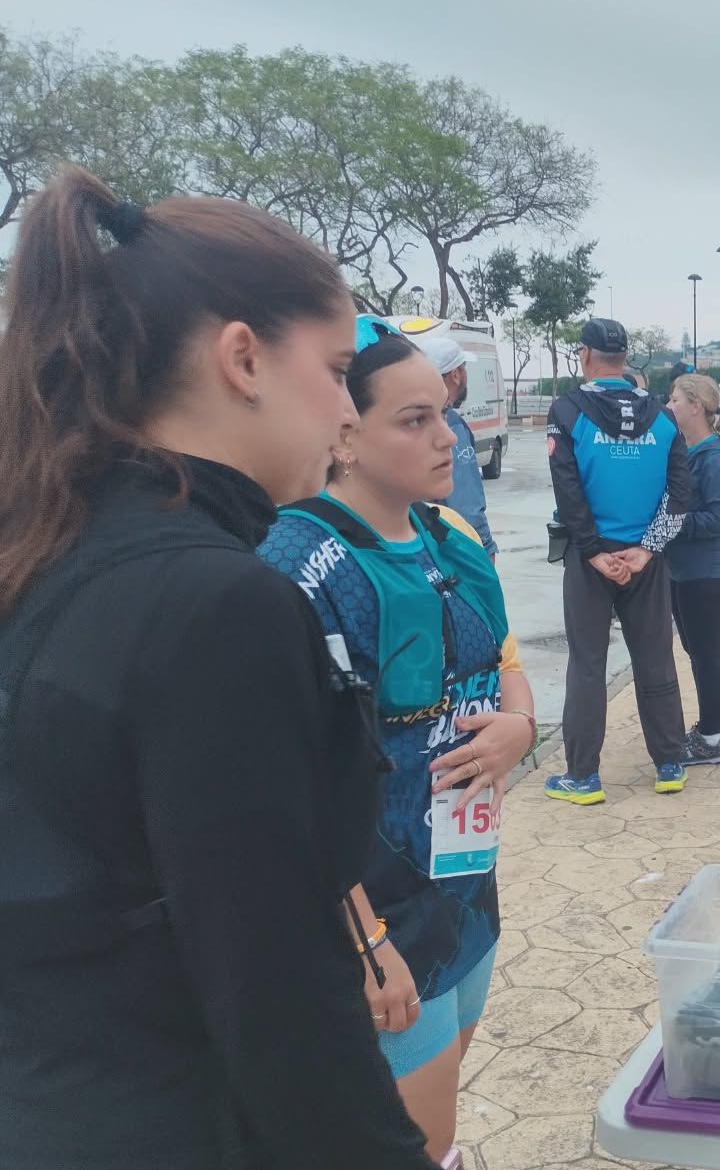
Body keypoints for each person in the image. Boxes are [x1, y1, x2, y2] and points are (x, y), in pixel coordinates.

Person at [0, 167, 436, 1167]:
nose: (343, 411)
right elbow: (277, 992)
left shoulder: (41, 551)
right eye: (334, 371)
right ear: (243, 357)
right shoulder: (218, 606)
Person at [259, 317, 536, 1164]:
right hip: (375, 918)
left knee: (443, 1100)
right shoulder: (296, 568)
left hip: (464, 884)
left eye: (444, 411)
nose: (447, 434)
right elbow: (284, 788)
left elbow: (507, 664)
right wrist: (367, 941)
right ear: (345, 435)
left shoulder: (450, 534)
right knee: (412, 1142)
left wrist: (519, 727)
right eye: (412, 420)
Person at [545, 318, 693, 802]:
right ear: (626, 358)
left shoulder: (567, 411)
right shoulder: (664, 417)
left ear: (585, 356)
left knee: (588, 664)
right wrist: (648, 549)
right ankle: (670, 764)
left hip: (591, 560)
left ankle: (583, 777)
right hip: (646, 561)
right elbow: (680, 496)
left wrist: (591, 552)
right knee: (655, 658)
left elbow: (568, 491)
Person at [665, 373, 720, 767]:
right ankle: (709, 727)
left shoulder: (715, 458)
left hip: (707, 570)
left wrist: (672, 523)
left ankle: (711, 739)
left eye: (675, 400)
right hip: (684, 569)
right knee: (697, 651)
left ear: (696, 406)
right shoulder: (690, 450)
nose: (670, 406)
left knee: (707, 655)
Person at [416, 334, 497, 558]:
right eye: (464, 369)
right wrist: (484, 547)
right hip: (452, 550)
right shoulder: (451, 424)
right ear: (456, 374)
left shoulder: (411, 419)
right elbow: (464, 498)